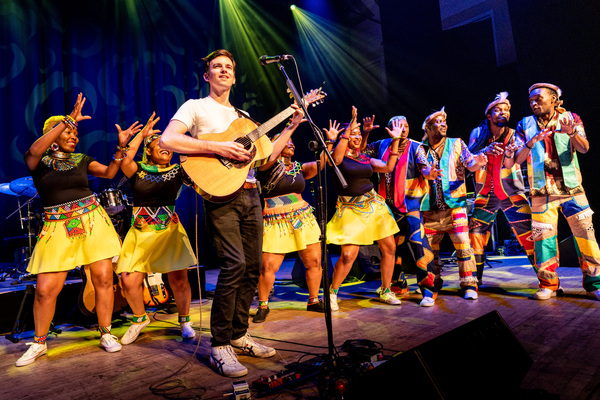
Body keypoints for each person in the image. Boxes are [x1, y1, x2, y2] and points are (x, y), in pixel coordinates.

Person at [160, 49, 303, 378]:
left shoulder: (245, 118)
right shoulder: (196, 107)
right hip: (221, 195)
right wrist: (218, 147)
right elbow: (169, 139)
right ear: (207, 75)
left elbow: (265, 160)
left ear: (234, 77)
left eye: (228, 67)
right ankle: (219, 344)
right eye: (216, 67)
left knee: (252, 267)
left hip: (252, 194)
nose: (223, 71)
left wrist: (291, 126)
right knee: (234, 264)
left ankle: (239, 334)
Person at [16, 93, 139, 367]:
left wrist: (121, 150)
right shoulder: (38, 160)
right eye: (68, 132)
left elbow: (109, 173)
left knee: (104, 279)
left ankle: (106, 332)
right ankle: (39, 343)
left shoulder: (82, 159)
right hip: (57, 227)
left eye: (75, 133)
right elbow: (34, 152)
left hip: (92, 221)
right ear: (53, 134)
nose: (74, 136)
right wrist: (68, 119)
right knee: (46, 289)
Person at [508, 83, 600, 300]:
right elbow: (516, 160)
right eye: (530, 100)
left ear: (554, 99)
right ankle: (548, 284)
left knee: (586, 236)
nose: (533, 102)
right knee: (544, 239)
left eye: (538, 98)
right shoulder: (524, 124)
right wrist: (530, 143)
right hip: (542, 191)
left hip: (572, 188)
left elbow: (584, 148)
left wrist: (571, 134)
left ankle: (594, 283)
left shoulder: (571, 118)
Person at [115, 112, 198, 344]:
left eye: (167, 144)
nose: (164, 147)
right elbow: (125, 161)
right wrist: (141, 135)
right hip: (140, 234)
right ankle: (140, 319)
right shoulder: (137, 170)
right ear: (148, 151)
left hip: (169, 232)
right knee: (129, 280)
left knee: (179, 279)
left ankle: (185, 321)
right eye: (158, 144)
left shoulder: (179, 170)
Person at [252, 116, 339, 323]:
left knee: (315, 261)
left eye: (292, 142)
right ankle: (263, 305)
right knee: (268, 266)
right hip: (274, 219)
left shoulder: (299, 167)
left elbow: (322, 163)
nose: (290, 144)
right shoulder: (265, 165)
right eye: (285, 142)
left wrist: (330, 142)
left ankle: (313, 300)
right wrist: (289, 128)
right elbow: (272, 154)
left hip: (302, 217)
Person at [326, 106, 402, 309]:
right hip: (350, 209)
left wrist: (395, 140)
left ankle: (385, 290)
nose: (357, 137)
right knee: (348, 255)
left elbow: (388, 167)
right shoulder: (338, 157)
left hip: (374, 205)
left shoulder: (365, 157)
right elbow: (337, 159)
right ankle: (332, 292)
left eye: (359, 134)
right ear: (346, 136)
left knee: (390, 248)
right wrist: (351, 124)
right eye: (353, 134)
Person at [362, 115, 441, 306]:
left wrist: (429, 173)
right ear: (389, 129)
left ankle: (429, 290)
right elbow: (362, 151)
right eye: (398, 126)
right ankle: (398, 285)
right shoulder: (382, 145)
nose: (403, 129)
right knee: (391, 248)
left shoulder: (416, 147)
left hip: (410, 204)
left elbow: (424, 166)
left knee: (418, 245)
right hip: (386, 206)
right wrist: (365, 133)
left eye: (406, 125)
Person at [468, 92, 535, 286]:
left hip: (512, 192)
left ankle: (546, 281)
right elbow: (468, 158)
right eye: (498, 110)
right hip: (484, 193)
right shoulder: (478, 134)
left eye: (506, 110)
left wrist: (513, 151)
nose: (503, 113)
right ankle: (474, 281)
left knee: (531, 234)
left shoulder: (515, 134)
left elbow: (517, 159)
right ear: (489, 115)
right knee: (476, 237)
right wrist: (484, 151)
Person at [420, 107, 486, 300]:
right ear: (428, 127)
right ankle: (432, 286)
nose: (443, 125)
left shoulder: (457, 143)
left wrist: (479, 162)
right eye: (438, 122)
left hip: (455, 205)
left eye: (444, 122)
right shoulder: (420, 148)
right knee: (430, 251)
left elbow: (470, 165)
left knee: (464, 245)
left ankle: (469, 286)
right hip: (429, 209)